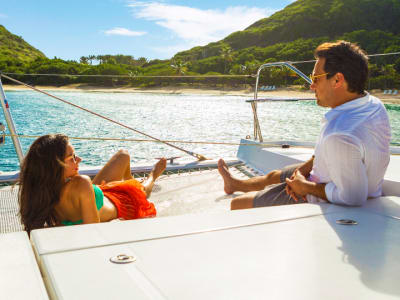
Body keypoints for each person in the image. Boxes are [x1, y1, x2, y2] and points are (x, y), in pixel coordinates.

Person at [218, 40, 391, 210]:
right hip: (325, 173)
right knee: (276, 175)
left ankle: (244, 192)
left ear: (337, 80)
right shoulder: (374, 104)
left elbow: (353, 197)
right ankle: (235, 184)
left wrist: (304, 187)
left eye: (316, 78)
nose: (311, 86)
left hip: (314, 196)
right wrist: (304, 170)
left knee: (237, 205)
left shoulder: (339, 135)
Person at [18, 134, 167, 233]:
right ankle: (154, 174)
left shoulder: (42, 193)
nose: (79, 160)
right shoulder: (82, 183)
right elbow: (93, 236)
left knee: (123, 155)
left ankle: (129, 180)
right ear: (54, 166)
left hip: (99, 193)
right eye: (72, 158)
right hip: (123, 204)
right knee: (142, 190)